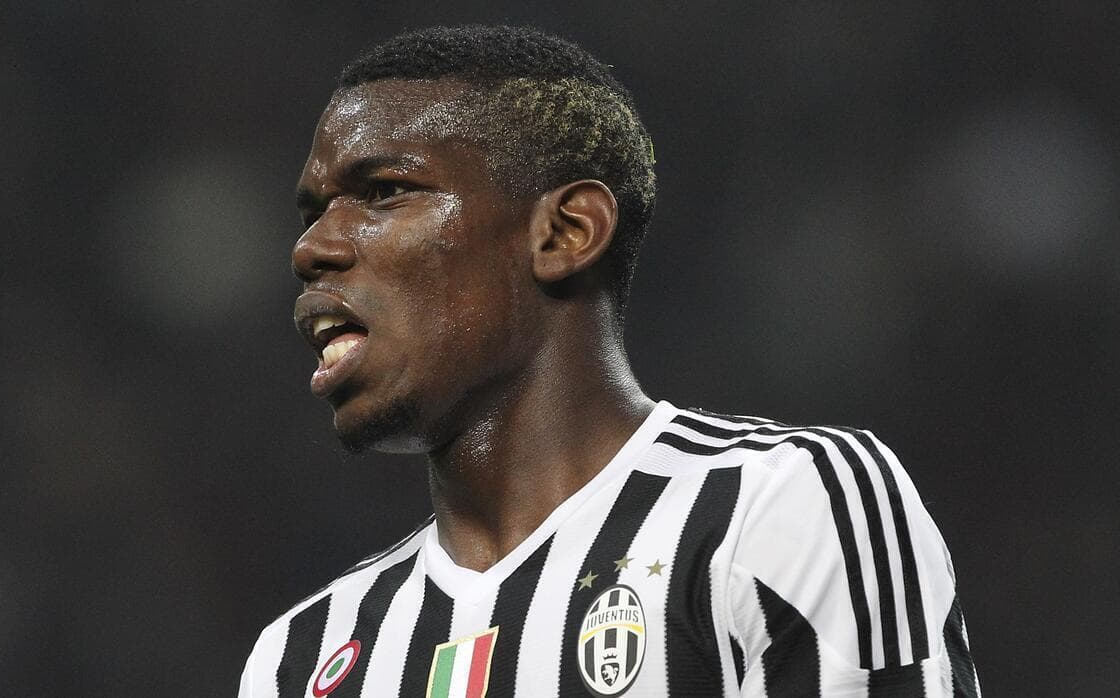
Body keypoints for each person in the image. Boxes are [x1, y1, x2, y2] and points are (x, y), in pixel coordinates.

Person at [239, 25, 979, 698]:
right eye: (312, 213)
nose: (311, 248)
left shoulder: (775, 507)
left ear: (565, 232)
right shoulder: (302, 657)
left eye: (382, 192)